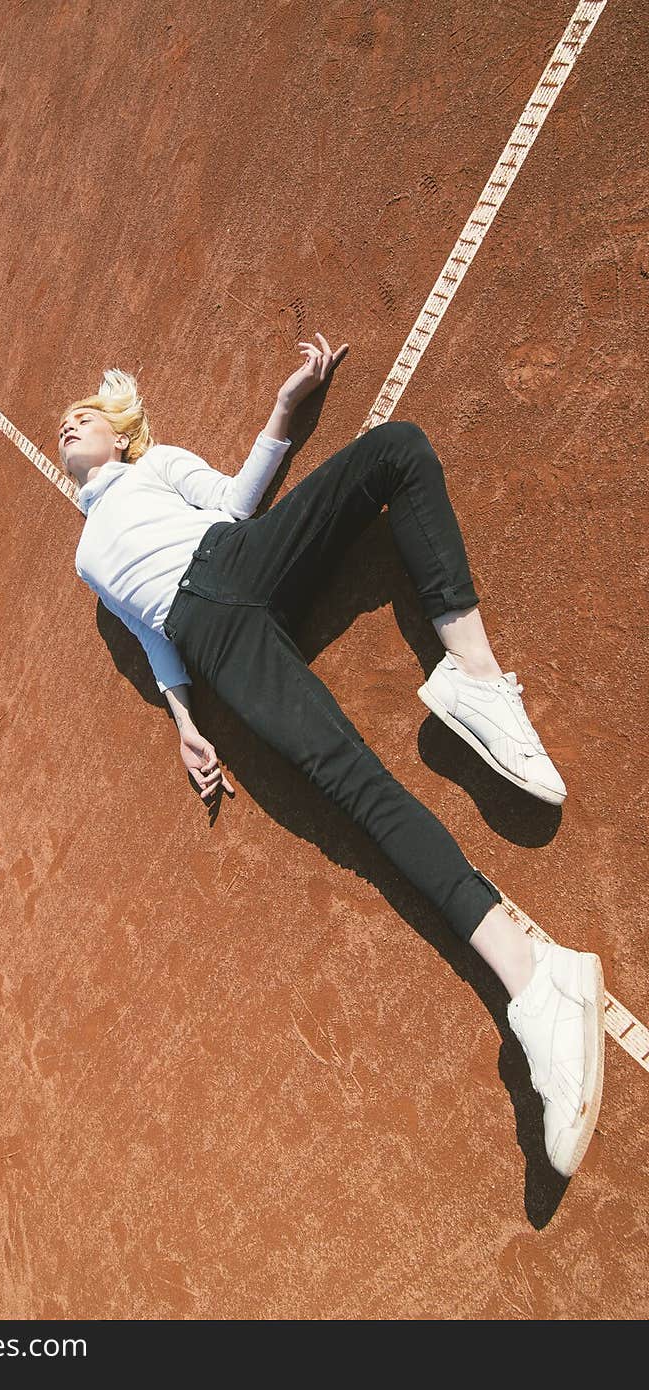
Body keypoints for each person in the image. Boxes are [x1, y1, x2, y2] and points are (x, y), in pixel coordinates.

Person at [59, 336, 605, 1178]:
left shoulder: (154, 463)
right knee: (358, 792)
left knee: (397, 450)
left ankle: (477, 680)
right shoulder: (87, 559)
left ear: (119, 434)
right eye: (67, 421)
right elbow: (151, 636)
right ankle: (537, 978)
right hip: (212, 639)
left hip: (235, 558)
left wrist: (284, 410)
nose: (71, 422)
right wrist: (182, 718)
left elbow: (235, 503)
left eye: (85, 414)